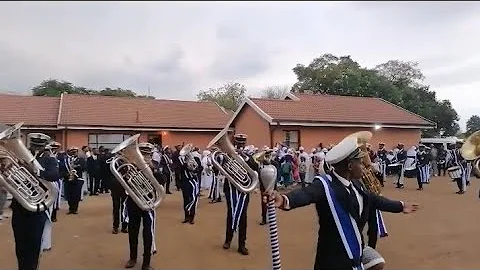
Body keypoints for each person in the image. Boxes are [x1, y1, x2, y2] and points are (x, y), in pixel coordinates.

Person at [263, 136, 419, 270]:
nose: (364, 166)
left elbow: (374, 199)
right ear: (350, 166)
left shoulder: (356, 184)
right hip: (333, 258)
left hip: (356, 249)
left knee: (377, 262)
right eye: (360, 162)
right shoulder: (324, 185)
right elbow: (306, 194)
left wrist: (400, 206)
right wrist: (284, 200)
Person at [2, 126, 59, 270]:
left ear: (44, 146)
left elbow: (54, 175)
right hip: (20, 205)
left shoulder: (49, 160)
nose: (35, 147)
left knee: (33, 246)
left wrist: (36, 170)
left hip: (36, 207)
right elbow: (13, 179)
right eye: (33, 144)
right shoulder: (18, 157)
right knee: (20, 245)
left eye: (38, 145)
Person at [124, 143, 157, 270]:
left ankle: (146, 262)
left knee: (148, 233)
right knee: (133, 231)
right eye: (143, 153)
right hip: (134, 202)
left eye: (147, 153)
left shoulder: (155, 165)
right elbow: (122, 183)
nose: (146, 156)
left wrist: (153, 171)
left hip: (149, 202)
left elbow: (162, 180)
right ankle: (133, 258)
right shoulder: (129, 166)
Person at [178, 145, 199, 224]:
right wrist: (186, 164)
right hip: (185, 182)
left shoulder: (196, 159)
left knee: (193, 199)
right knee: (186, 199)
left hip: (193, 181)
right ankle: (186, 217)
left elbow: (200, 168)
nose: (187, 154)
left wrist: (195, 169)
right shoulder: (181, 161)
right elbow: (179, 170)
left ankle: (192, 217)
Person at [63, 147, 85, 214]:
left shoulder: (81, 159)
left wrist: (77, 166)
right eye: (72, 152)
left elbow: (84, 168)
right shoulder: (66, 160)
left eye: (75, 152)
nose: (73, 153)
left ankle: (75, 209)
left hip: (77, 179)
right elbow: (63, 168)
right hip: (68, 179)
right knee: (69, 194)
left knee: (76, 195)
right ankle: (70, 208)